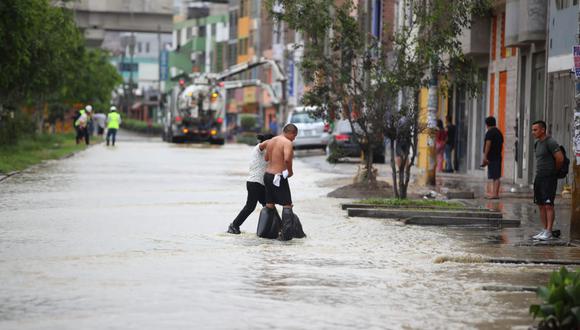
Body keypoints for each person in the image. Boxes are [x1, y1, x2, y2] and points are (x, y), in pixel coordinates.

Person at [227, 133, 275, 234]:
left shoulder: (268, 153)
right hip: (254, 183)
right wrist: (276, 141)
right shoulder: (259, 148)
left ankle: (277, 228)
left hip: (261, 184)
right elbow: (264, 144)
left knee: (269, 205)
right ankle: (234, 225)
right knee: (250, 207)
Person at [263, 123, 298, 241]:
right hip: (278, 177)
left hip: (267, 176)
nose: (294, 139)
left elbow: (266, 158)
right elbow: (287, 159)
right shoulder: (287, 143)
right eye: (295, 136)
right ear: (291, 133)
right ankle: (286, 237)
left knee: (269, 204)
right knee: (287, 204)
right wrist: (290, 171)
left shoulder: (271, 141)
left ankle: (267, 233)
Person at [531, 120, 564, 241]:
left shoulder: (550, 142)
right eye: (532, 130)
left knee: (548, 205)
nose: (533, 132)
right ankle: (544, 229)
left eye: (535, 130)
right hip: (539, 176)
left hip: (549, 177)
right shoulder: (537, 143)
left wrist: (553, 171)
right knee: (540, 204)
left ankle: (549, 231)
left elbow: (560, 159)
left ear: (542, 130)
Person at [482, 116, 504, 199]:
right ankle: (495, 193)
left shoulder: (490, 132)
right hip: (498, 156)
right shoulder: (499, 132)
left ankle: (495, 194)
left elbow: (488, 144)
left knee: (495, 177)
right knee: (496, 175)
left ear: (487, 124)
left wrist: (485, 156)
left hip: (492, 157)